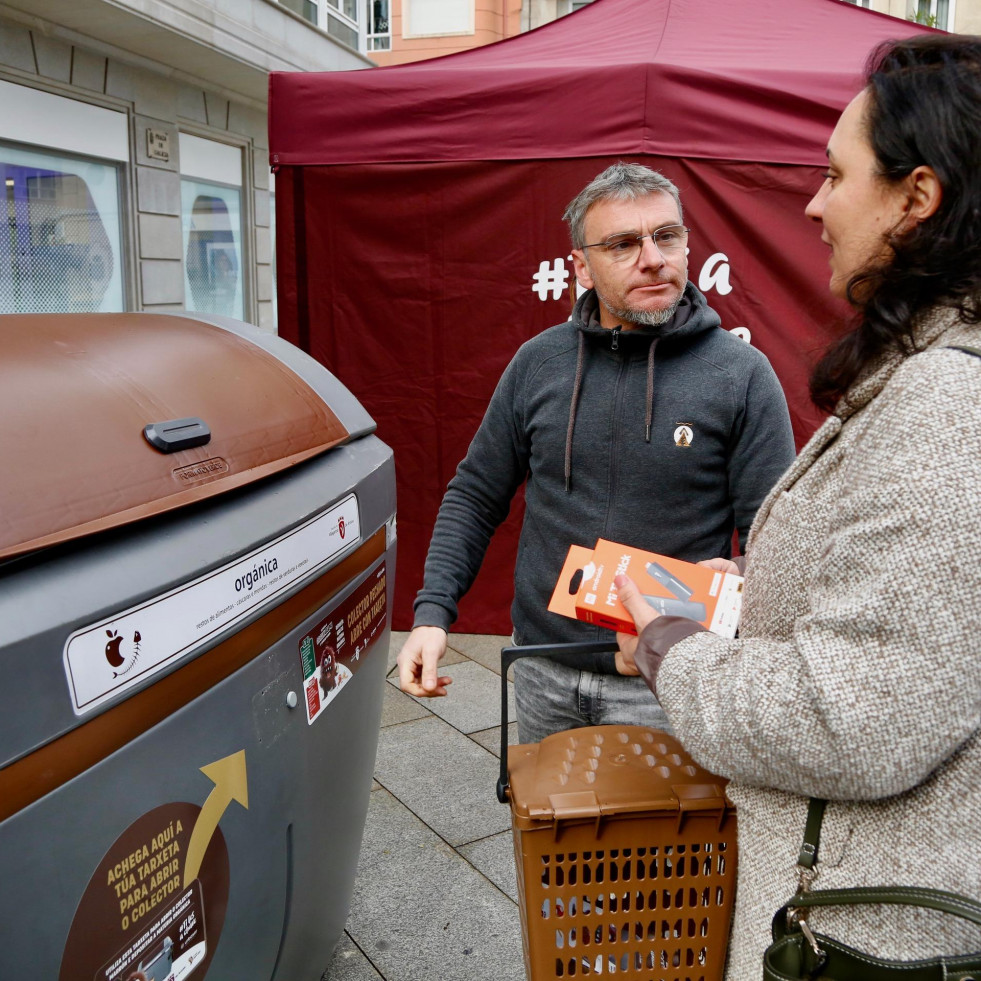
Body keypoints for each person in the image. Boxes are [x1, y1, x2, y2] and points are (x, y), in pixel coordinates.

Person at [614, 34, 981, 977]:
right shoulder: (928, 378)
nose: (812, 204)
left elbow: (852, 717)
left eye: (833, 175)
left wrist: (666, 646)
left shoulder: (946, 405)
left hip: (864, 930)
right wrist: (761, 587)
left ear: (917, 197)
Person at [398, 162, 795, 742]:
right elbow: (476, 494)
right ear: (581, 266)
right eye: (623, 243)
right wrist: (433, 614)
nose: (653, 257)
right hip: (542, 669)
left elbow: (774, 541)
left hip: (666, 683)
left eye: (666, 235)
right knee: (547, 832)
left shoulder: (741, 376)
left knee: (666, 838)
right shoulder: (538, 363)